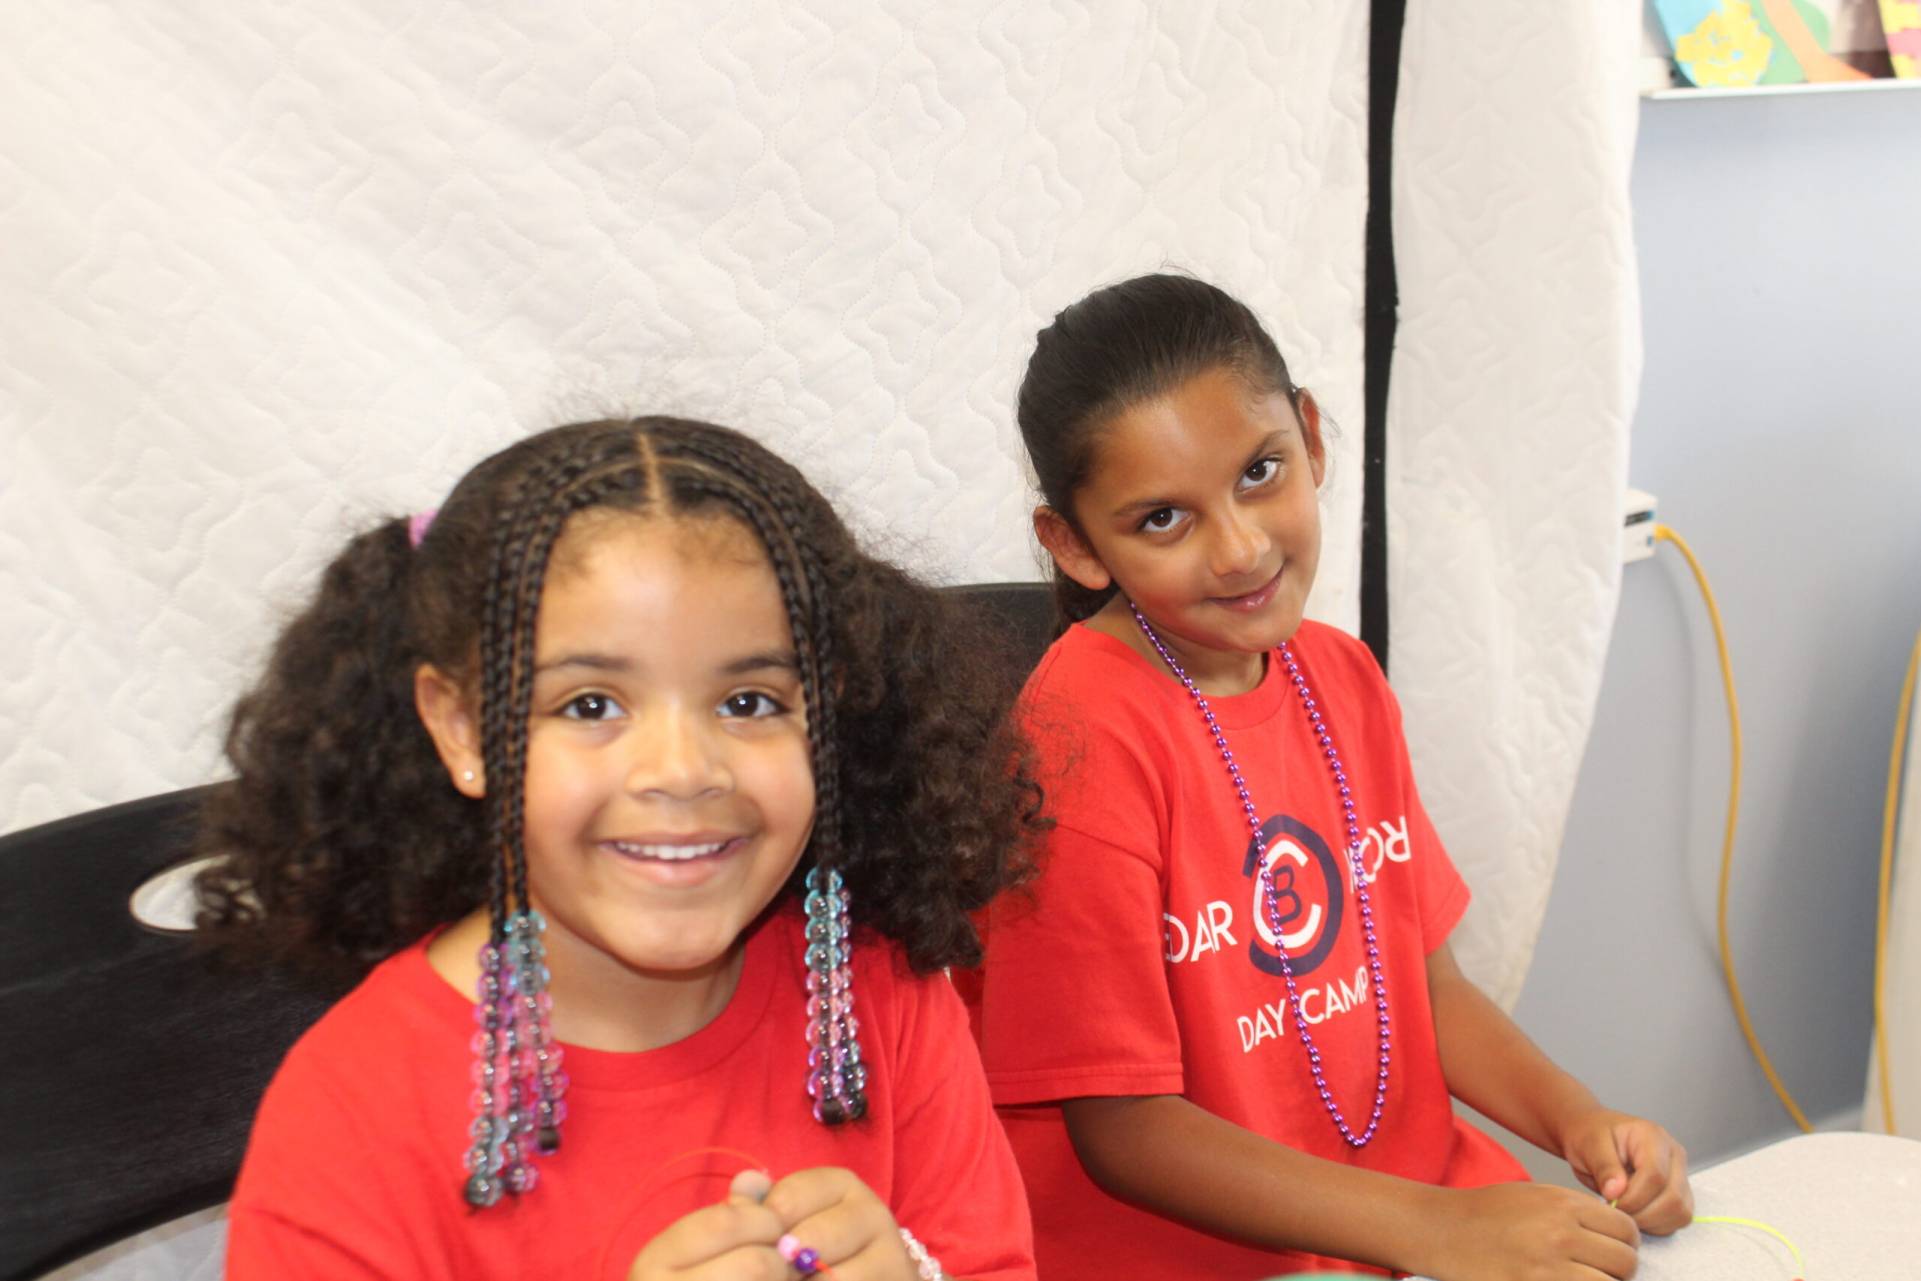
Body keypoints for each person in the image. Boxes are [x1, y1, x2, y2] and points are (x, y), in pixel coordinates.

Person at [199, 417, 1043, 1281]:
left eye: (749, 701)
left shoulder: (881, 989)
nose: (682, 770)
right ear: (463, 729)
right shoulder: (350, 1113)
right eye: (591, 705)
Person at [968, 275, 1693, 1280]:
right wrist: (1433, 1232)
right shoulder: (1074, 744)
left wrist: (1578, 1119)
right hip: (1206, 1258)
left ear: (1311, 437)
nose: (1239, 548)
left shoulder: (1340, 676)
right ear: (1076, 546)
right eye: (1162, 521)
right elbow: (1122, 1129)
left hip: (1407, 1220)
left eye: (1260, 471)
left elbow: (1425, 989)